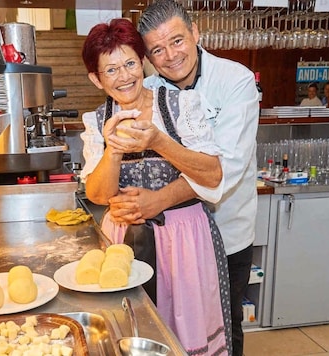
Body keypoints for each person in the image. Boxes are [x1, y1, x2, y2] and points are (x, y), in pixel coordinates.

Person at [102, 1, 260, 355]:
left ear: (195, 33)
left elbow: (226, 169)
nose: (170, 56)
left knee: (224, 328)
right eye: (157, 49)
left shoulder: (235, 81)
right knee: (166, 329)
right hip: (169, 243)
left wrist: (158, 200)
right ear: (148, 57)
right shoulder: (148, 88)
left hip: (227, 229)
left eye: (177, 41)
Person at [79, 18, 232, 355]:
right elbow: (98, 195)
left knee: (186, 333)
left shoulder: (181, 105)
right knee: (127, 332)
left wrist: (159, 141)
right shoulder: (96, 121)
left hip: (184, 239)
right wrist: (114, 149)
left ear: (143, 62)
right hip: (123, 241)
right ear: (96, 78)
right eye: (112, 69)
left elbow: (212, 175)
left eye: (131, 63)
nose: (125, 76)